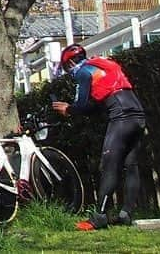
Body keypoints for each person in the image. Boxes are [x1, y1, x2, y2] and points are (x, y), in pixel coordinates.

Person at [52, 43, 145, 229]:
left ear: (69, 62)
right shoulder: (102, 65)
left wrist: (68, 109)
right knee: (131, 166)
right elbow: (98, 103)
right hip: (138, 115)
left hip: (121, 117)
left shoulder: (82, 72)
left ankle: (99, 217)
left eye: (65, 67)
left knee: (109, 166)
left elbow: (81, 104)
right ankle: (126, 214)